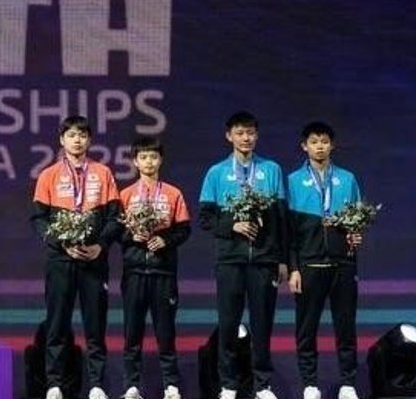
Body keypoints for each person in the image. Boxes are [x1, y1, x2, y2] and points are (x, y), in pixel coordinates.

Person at [197, 111, 287, 399]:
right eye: (239, 132)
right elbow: (205, 218)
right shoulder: (216, 172)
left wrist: (282, 259)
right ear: (229, 136)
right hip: (230, 260)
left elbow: (280, 219)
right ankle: (228, 384)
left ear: (256, 135)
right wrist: (231, 225)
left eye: (250, 132)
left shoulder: (271, 170)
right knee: (228, 324)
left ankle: (263, 385)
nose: (245, 138)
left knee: (262, 324)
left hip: (264, 260)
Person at [31, 115, 121, 399]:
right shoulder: (48, 175)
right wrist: (61, 243)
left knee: (96, 326)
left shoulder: (103, 173)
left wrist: (100, 246)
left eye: (82, 135)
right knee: (57, 324)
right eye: (71, 135)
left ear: (89, 140)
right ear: (62, 140)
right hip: (61, 261)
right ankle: (54, 384)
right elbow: (38, 219)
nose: (77, 140)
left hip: (94, 261)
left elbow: (115, 218)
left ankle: (96, 385)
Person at [284, 122, 364, 399]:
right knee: (306, 329)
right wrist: (293, 268)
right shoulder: (293, 181)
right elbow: (288, 231)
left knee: (346, 326)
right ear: (304, 146)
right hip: (309, 266)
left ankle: (348, 383)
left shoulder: (347, 179)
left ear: (332, 145)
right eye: (314, 141)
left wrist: (355, 235)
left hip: (343, 265)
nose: (320, 146)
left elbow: (357, 219)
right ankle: (309, 384)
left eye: (324, 141)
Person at [118, 135, 191, 399]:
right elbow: (116, 230)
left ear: (161, 160)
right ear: (135, 162)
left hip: (163, 273)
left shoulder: (173, 193)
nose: (149, 161)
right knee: (132, 333)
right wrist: (132, 236)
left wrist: (165, 240)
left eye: (153, 156)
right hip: (134, 273)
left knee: (166, 333)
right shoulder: (125, 195)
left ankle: (171, 386)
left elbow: (184, 229)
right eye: (143, 157)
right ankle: (131, 386)